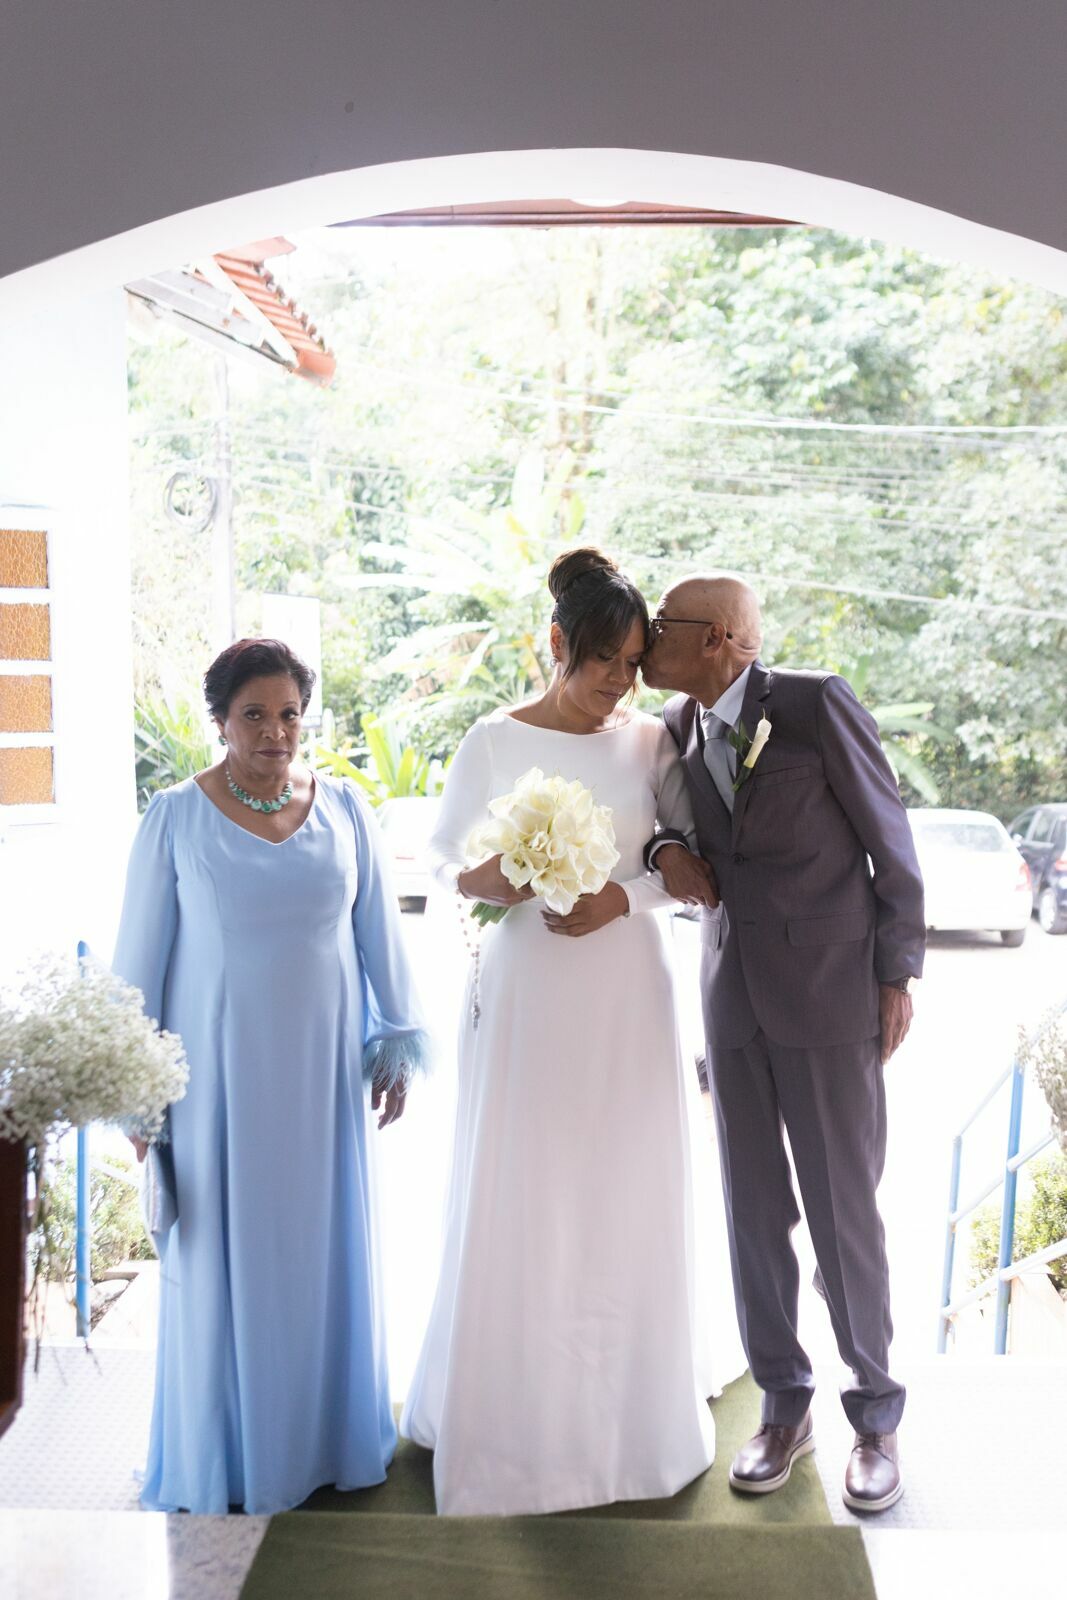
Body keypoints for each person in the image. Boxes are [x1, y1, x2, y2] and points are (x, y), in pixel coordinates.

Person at [400, 547, 745, 1517]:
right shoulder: (490, 741)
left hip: (626, 990)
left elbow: (685, 868)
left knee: (620, 1182)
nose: (619, 683)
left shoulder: (645, 744)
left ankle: (627, 1418)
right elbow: (444, 863)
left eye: (632, 663)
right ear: (555, 644)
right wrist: (495, 878)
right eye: (602, 660)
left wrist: (619, 899)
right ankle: (515, 1416)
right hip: (526, 997)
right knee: (529, 1184)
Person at [112, 637, 428, 1514]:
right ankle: (238, 1456)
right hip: (216, 1089)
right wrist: (139, 1091)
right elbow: (139, 960)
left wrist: (393, 1042)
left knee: (321, 1252)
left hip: (323, 1081)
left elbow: (378, 938)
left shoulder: (347, 809)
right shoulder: (175, 817)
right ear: (220, 720)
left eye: (290, 713)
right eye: (255, 714)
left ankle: (327, 1441)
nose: (276, 732)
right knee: (225, 1257)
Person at [641, 574, 925, 1514]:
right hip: (731, 1000)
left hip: (831, 995)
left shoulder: (811, 704)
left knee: (844, 1213)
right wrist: (660, 857)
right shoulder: (676, 728)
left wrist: (897, 973)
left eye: (663, 627)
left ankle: (875, 1418)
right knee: (752, 1214)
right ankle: (783, 1403)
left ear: (720, 637)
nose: (645, 639)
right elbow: (672, 835)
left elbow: (891, 841)